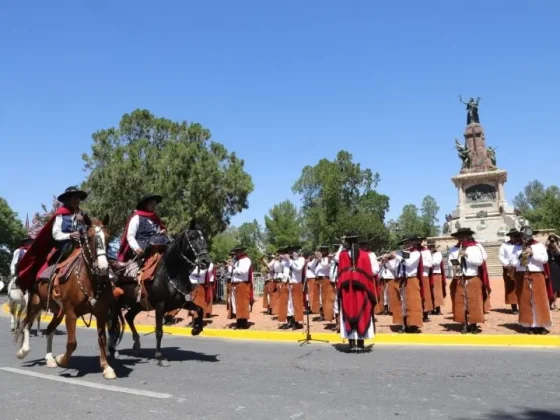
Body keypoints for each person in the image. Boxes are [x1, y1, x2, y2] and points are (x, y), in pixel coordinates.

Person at [18, 186, 90, 294]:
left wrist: (84, 223)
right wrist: (70, 236)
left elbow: (89, 230)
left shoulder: (82, 214)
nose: (77, 200)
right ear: (68, 199)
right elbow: (56, 234)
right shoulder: (61, 214)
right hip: (66, 247)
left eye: (79, 198)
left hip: (83, 244)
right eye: (75, 197)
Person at [337, 233, 376, 352]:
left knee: (352, 311)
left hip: (349, 290)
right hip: (356, 290)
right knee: (360, 312)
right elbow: (372, 272)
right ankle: (360, 343)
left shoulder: (342, 255)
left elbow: (340, 273)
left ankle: (352, 343)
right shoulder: (364, 255)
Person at [511, 227, 552, 334]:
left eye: (526, 236)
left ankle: (541, 324)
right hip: (523, 274)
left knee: (539, 300)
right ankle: (528, 324)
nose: (524, 238)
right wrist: (521, 256)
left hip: (536, 274)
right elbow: (513, 263)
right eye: (523, 236)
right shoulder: (516, 247)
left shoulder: (538, 246)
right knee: (525, 300)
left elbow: (544, 259)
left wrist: (532, 253)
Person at [448, 228, 490, 334]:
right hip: (459, 277)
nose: (461, 238)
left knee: (474, 302)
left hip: (471, 277)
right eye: (459, 236)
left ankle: (473, 324)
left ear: (468, 236)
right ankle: (463, 323)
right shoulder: (454, 249)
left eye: (463, 236)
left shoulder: (475, 248)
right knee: (460, 302)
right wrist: (455, 264)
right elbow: (450, 262)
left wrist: (466, 256)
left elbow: (479, 261)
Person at [117, 194, 169, 262]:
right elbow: (130, 236)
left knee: (167, 241)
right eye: (151, 204)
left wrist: (161, 233)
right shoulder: (137, 217)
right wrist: (136, 248)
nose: (154, 206)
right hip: (141, 245)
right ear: (145, 205)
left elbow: (156, 235)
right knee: (152, 245)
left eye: (154, 204)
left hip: (155, 243)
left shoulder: (155, 219)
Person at [388, 237, 424, 333]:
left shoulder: (415, 253)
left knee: (412, 302)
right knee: (400, 303)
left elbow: (409, 263)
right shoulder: (399, 254)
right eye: (405, 243)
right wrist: (387, 262)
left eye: (408, 242)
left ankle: (413, 325)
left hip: (410, 279)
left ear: (412, 243)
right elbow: (394, 267)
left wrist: (396, 256)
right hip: (399, 279)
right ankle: (402, 324)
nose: (406, 244)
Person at [280, 245, 305, 330]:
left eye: (292, 251)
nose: (290, 253)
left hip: (296, 283)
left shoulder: (301, 259)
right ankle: (289, 320)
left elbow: (298, 268)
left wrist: (290, 260)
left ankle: (297, 322)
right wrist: (282, 259)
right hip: (288, 283)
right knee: (288, 304)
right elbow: (283, 270)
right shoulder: (287, 261)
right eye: (289, 251)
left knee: (296, 304)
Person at [229, 245, 253, 329]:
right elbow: (230, 272)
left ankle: (243, 323)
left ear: (242, 251)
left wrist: (234, 267)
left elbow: (244, 271)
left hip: (243, 283)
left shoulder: (246, 260)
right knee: (236, 304)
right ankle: (238, 322)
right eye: (236, 251)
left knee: (243, 304)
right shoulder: (236, 260)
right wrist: (230, 266)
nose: (236, 253)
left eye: (238, 251)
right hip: (235, 284)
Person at [499, 229, 521, 314]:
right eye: (512, 236)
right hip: (509, 267)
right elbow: (501, 255)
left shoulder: (522, 245)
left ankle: (522, 305)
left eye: (516, 235)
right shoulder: (505, 245)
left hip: (519, 268)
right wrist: (506, 264)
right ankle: (514, 306)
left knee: (521, 286)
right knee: (511, 287)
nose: (514, 237)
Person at [312, 245, 334, 322]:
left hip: (325, 279)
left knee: (326, 297)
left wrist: (320, 260)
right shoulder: (319, 259)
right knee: (320, 298)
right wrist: (315, 260)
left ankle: (328, 314)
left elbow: (325, 266)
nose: (322, 252)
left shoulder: (328, 258)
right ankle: (322, 314)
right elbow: (311, 267)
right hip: (318, 279)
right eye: (322, 250)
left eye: (324, 250)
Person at [427, 240, 446, 315]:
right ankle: (431, 308)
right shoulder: (428, 254)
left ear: (434, 247)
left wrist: (428, 261)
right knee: (430, 291)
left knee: (437, 292)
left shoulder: (438, 254)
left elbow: (436, 262)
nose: (430, 247)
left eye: (431, 246)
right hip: (430, 274)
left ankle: (438, 309)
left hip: (436, 273)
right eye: (429, 246)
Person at [418, 238, 434, 322]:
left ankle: (425, 314)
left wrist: (419, 262)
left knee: (425, 295)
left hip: (424, 275)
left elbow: (429, 264)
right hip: (415, 276)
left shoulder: (426, 251)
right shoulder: (411, 252)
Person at [546, 234, 560, 310]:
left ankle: (555, 303)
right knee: (551, 286)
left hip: (558, 269)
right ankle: (551, 303)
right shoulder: (547, 249)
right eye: (550, 240)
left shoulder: (558, 248)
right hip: (549, 269)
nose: (552, 241)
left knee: (557, 287)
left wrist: (556, 246)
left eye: (553, 240)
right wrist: (546, 246)